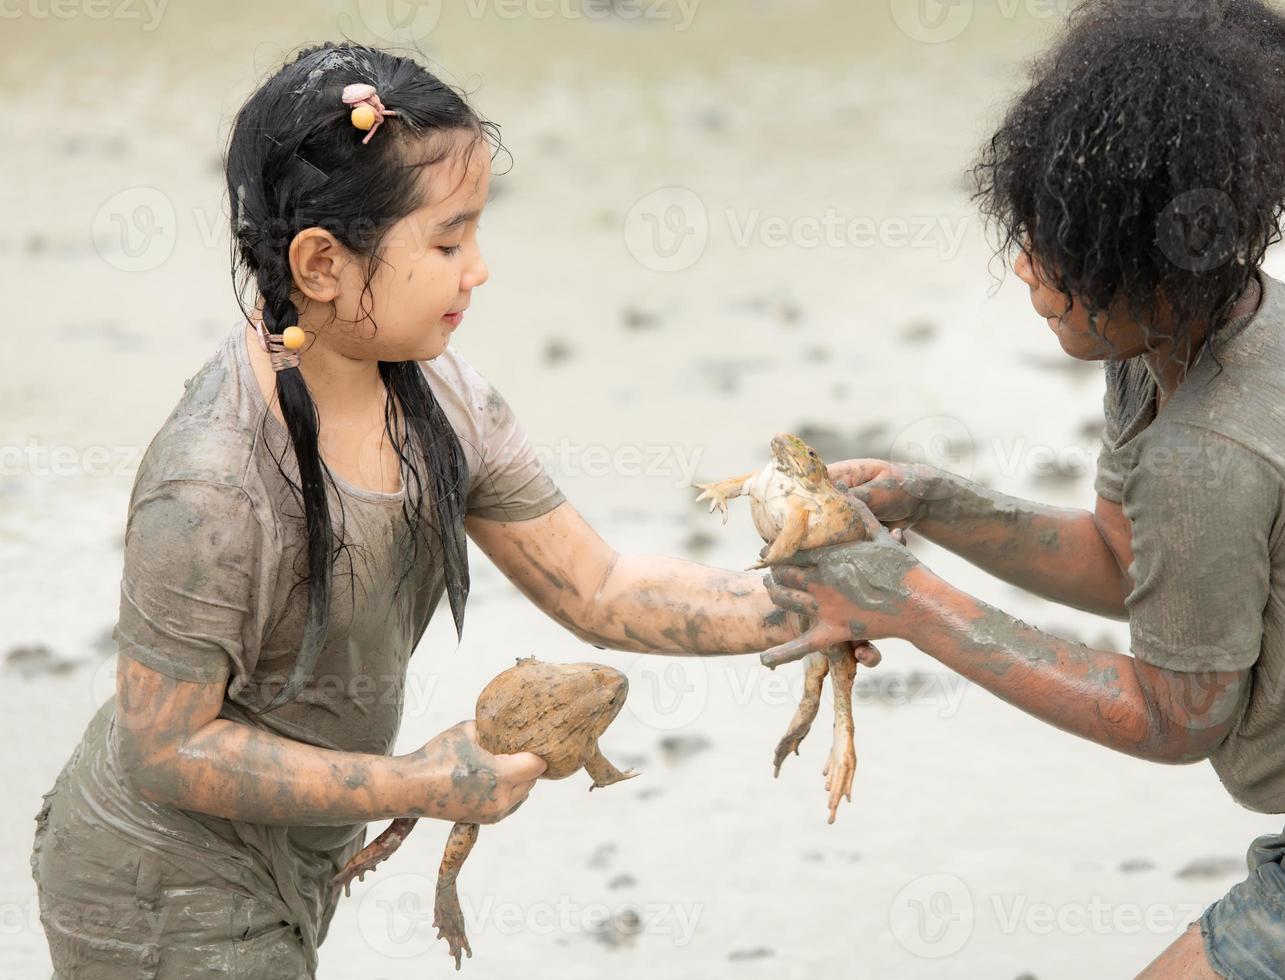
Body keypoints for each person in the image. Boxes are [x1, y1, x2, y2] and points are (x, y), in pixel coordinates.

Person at [29, 42, 878, 979]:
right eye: (446, 242)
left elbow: (597, 587)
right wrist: (419, 785)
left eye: (475, 234)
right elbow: (165, 745)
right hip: (152, 881)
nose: (477, 270)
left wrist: (818, 607)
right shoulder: (213, 484)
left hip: (297, 855)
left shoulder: (444, 399)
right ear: (320, 263)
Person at [757, 2, 1285, 976]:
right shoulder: (1184, 329)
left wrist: (910, 604)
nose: (1026, 267)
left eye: (1055, 247)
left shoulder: (1214, 444)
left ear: (1139, 260)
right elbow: (1127, 561)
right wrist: (934, 501)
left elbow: (1177, 718)